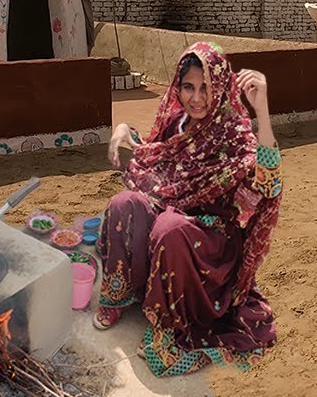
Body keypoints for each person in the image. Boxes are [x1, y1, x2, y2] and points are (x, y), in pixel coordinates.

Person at [96, 41, 283, 378]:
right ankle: (120, 294)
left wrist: (263, 112)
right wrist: (125, 130)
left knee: (169, 229)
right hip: (172, 213)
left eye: (205, 88)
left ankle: (170, 326)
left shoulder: (233, 133)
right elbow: (154, 152)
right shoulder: (176, 121)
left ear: (221, 87)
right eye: (188, 87)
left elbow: (268, 185)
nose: (196, 98)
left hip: (211, 236)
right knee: (125, 204)